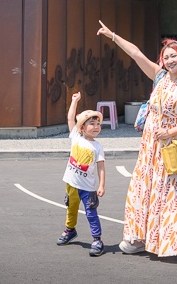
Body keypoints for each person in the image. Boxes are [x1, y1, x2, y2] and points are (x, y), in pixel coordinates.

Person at [96, 20, 177, 258]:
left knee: (169, 194)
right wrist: (113, 35)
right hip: (149, 147)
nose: (170, 60)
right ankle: (138, 237)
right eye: (166, 57)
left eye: (174, 56)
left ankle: (167, 243)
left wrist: (169, 132)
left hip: (171, 146)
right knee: (143, 189)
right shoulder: (160, 77)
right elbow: (135, 53)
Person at [57, 91, 106, 257]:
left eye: (98, 124)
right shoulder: (76, 137)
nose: (96, 127)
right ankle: (70, 230)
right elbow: (71, 118)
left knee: (91, 213)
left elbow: (101, 167)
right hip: (71, 183)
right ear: (82, 127)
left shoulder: (97, 147)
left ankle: (97, 240)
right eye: (92, 124)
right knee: (71, 209)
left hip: (87, 188)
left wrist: (101, 185)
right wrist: (74, 101)